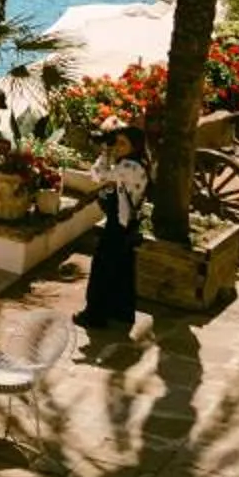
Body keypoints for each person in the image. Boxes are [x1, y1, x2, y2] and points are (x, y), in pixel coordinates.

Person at [77, 123, 147, 332]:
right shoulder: (136, 163)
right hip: (127, 224)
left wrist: (105, 152)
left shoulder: (129, 167)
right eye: (117, 142)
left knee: (102, 269)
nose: (118, 146)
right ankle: (121, 312)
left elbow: (99, 175)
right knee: (122, 270)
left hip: (119, 225)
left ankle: (94, 316)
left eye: (123, 143)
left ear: (134, 146)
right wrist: (109, 151)